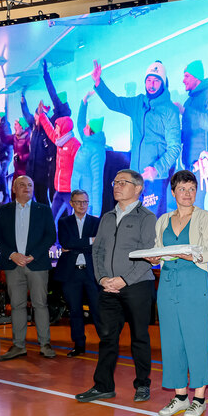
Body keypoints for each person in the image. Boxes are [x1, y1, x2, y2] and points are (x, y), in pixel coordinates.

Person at [144, 170, 208, 416]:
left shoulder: (206, 218)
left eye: (192, 189)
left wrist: (192, 255)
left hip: (194, 283)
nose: (187, 194)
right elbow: (159, 250)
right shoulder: (163, 220)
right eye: (182, 189)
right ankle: (180, 397)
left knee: (196, 342)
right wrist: (154, 258)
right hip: (167, 285)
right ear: (173, 192)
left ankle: (199, 399)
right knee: (171, 342)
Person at [76, 169, 157, 403]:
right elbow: (98, 251)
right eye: (116, 182)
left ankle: (142, 385)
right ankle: (103, 386)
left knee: (139, 337)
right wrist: (102, 279)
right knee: (107, 338)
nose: (117, 186)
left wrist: (124, 280)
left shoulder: (147, 217)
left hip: (137, 286)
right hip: (108, 287)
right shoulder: (108, 217)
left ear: (138, 188)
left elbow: (149, 255)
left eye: (123, 182)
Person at [92, 59, 181, 217]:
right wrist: (99, 82)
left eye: (156, 81)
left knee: (152, 222)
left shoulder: (170, 110)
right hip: (135, 177)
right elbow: (114, 102)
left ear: (163, 83)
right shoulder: (138, 103)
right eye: (148, 80)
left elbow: (174, 148)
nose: (151, 85)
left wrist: (157, 169)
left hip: (154, 178)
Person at [0, 175, 58, 360]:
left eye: (30, 185)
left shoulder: (43, 210)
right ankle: (18, 346)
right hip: (12, 264)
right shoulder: (2, 211)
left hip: (37, 264)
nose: (27, 187)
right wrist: (13, 254)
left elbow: (50, 236)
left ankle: (45, 344)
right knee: (17, 305)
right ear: (14, 189)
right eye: (22, 184)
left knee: (40, 304)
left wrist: (32, 256)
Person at [53, 190, 102, 357]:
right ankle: (79, 345)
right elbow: (66, 242)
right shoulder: (64, 222)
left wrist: (75, 245)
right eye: (78, 202)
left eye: (85, 202)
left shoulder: (96, 222)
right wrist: (89, 241)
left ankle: (106, 344)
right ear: (71, 203)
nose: (82, 205)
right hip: (70, 273)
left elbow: (99, 244)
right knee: (75, 311)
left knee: (97, 310)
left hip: (91, 272)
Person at [21, 59, 71, 205]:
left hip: (49, 168)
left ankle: (51, 217)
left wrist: (46, 75)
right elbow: (28, 116)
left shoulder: (56, 119)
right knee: (43, 197)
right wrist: (23, 103)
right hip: (39, 168)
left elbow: (53, 96)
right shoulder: (40, 126)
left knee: (51, 197)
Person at [177, 61, 208, 210]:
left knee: (202, 209)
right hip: (190, 166)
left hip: (204, 166)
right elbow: (187, 133)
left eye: (187, 76)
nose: (183, 80)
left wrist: (185, 112)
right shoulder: (188, 101)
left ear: (196, 77)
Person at [37, 108, 80, 221]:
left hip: (70, 191)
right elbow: (49, 129)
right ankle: (52, 233)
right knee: (52, 217)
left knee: (74, 220)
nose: (55, 129)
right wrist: (42, 115)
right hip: (59, 189)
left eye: (57, 127)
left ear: (63, 128)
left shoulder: (74, 144)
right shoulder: (59, 141)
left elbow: (80, 167)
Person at [73, 91, 107, 217]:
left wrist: (96, 214)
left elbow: (97, 183)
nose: (84, 129)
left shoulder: (97, 151)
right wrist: (84, 102)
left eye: (87, 127)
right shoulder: (87, 141)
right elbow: (80, 124)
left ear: (91, 132)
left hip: (87, 205)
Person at [0, 117, 31, 182]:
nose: (14, 127)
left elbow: (32, 153)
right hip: (16, 171)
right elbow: (5, 140)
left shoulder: (28, 138)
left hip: (25, 173)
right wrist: (1, 127)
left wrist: (21, 158)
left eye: (16, 124)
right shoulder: (15, 137)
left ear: (21, 126)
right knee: (14, 188)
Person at [0, 113, 13, 203]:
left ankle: (6, 196)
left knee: (2, 174)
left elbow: (4, 142)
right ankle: (6, 195)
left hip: (6, 154)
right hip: (1, 154)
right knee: (1, 174)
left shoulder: (6, 126)